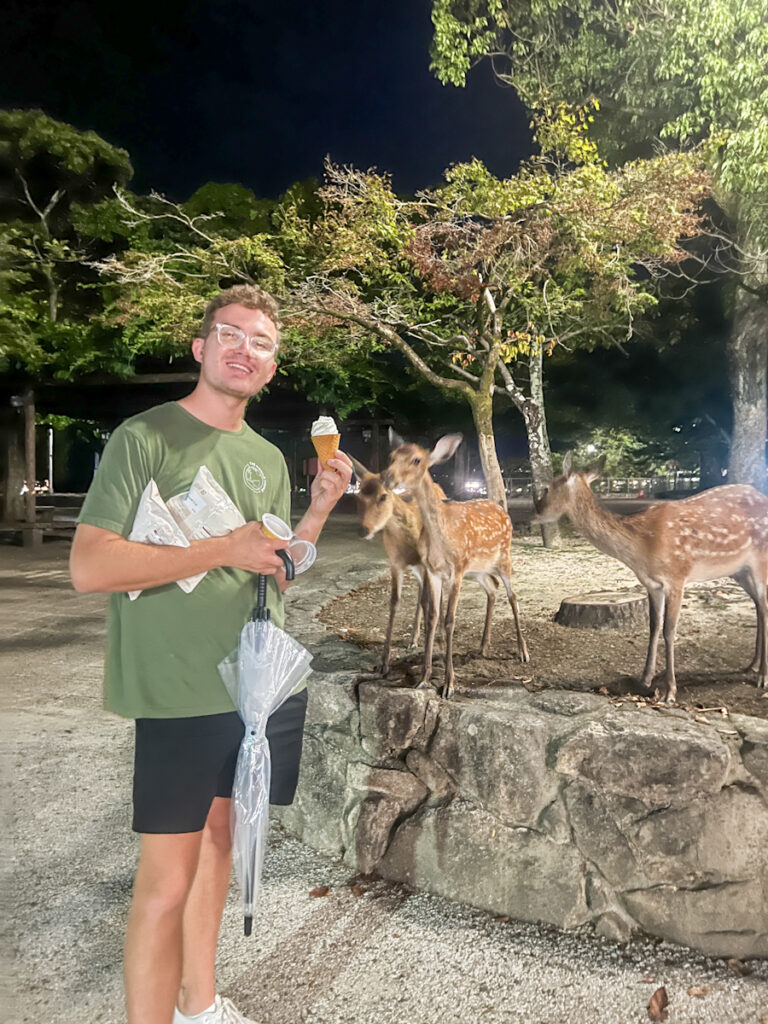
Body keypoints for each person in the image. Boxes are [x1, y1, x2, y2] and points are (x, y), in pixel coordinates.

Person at [69, 284, 352, 1024]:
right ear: (201, 348)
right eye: (231, 334)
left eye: (262, 343)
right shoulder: (146, 437)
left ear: (272, 365)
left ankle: (201, 1004)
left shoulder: (262, 455)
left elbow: (275, 564)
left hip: (255, 684)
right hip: (178, 688)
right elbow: (89, 567)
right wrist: (220, 546)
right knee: (164, 880)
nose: (245, 350)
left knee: (224, 841)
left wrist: (318, 507)